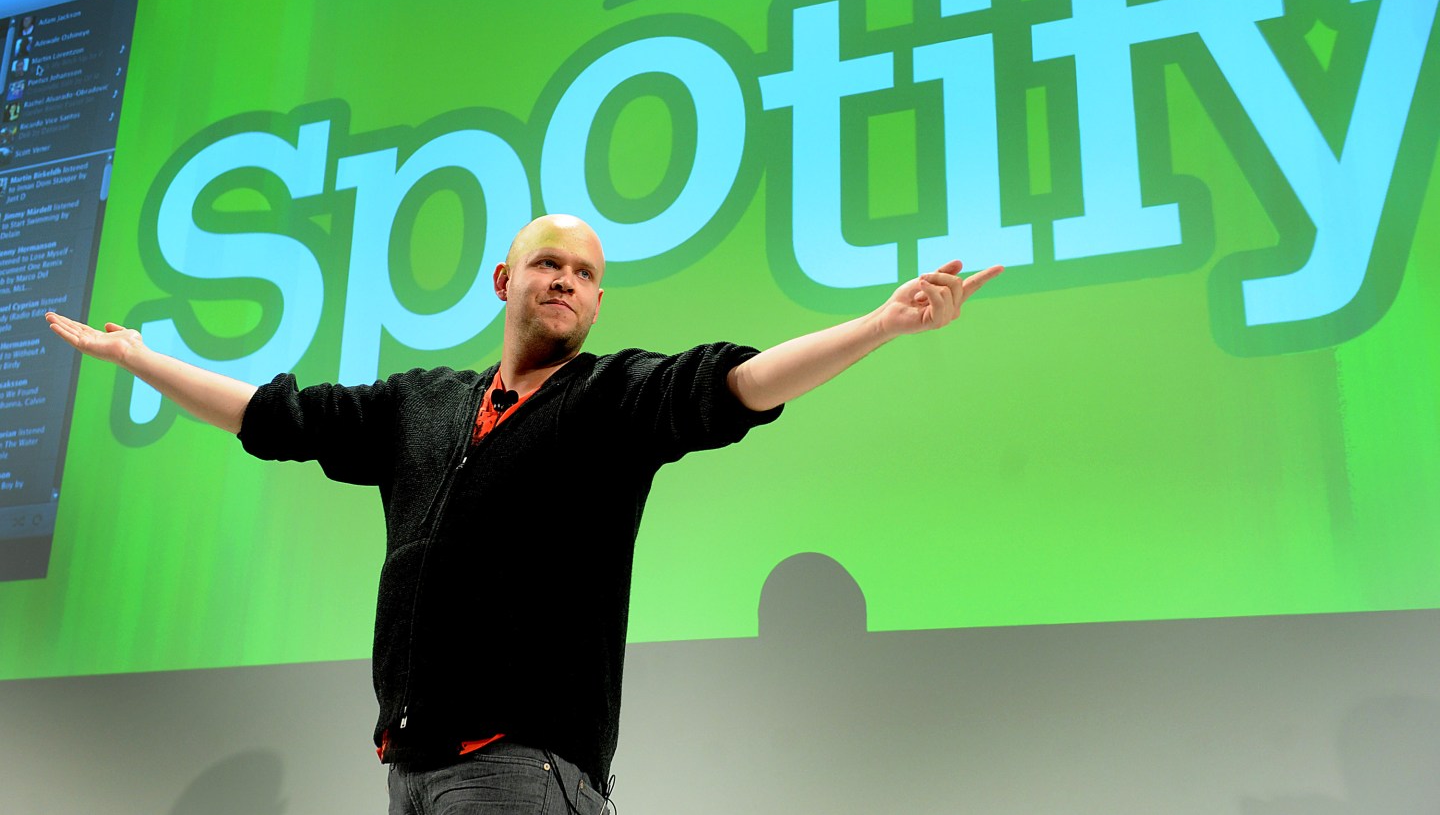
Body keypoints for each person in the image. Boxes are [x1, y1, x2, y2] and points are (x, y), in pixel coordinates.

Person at [46, 213, 1002, 815]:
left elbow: (737, 385)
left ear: (597, 301)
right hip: (412, 770)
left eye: (584, 273)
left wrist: (882, 324)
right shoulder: (421, 405)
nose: (566, 281)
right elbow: (271, 418)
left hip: (520, 768)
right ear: (505, 282)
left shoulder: (609, 399)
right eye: (548, 263)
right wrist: (140, 358)